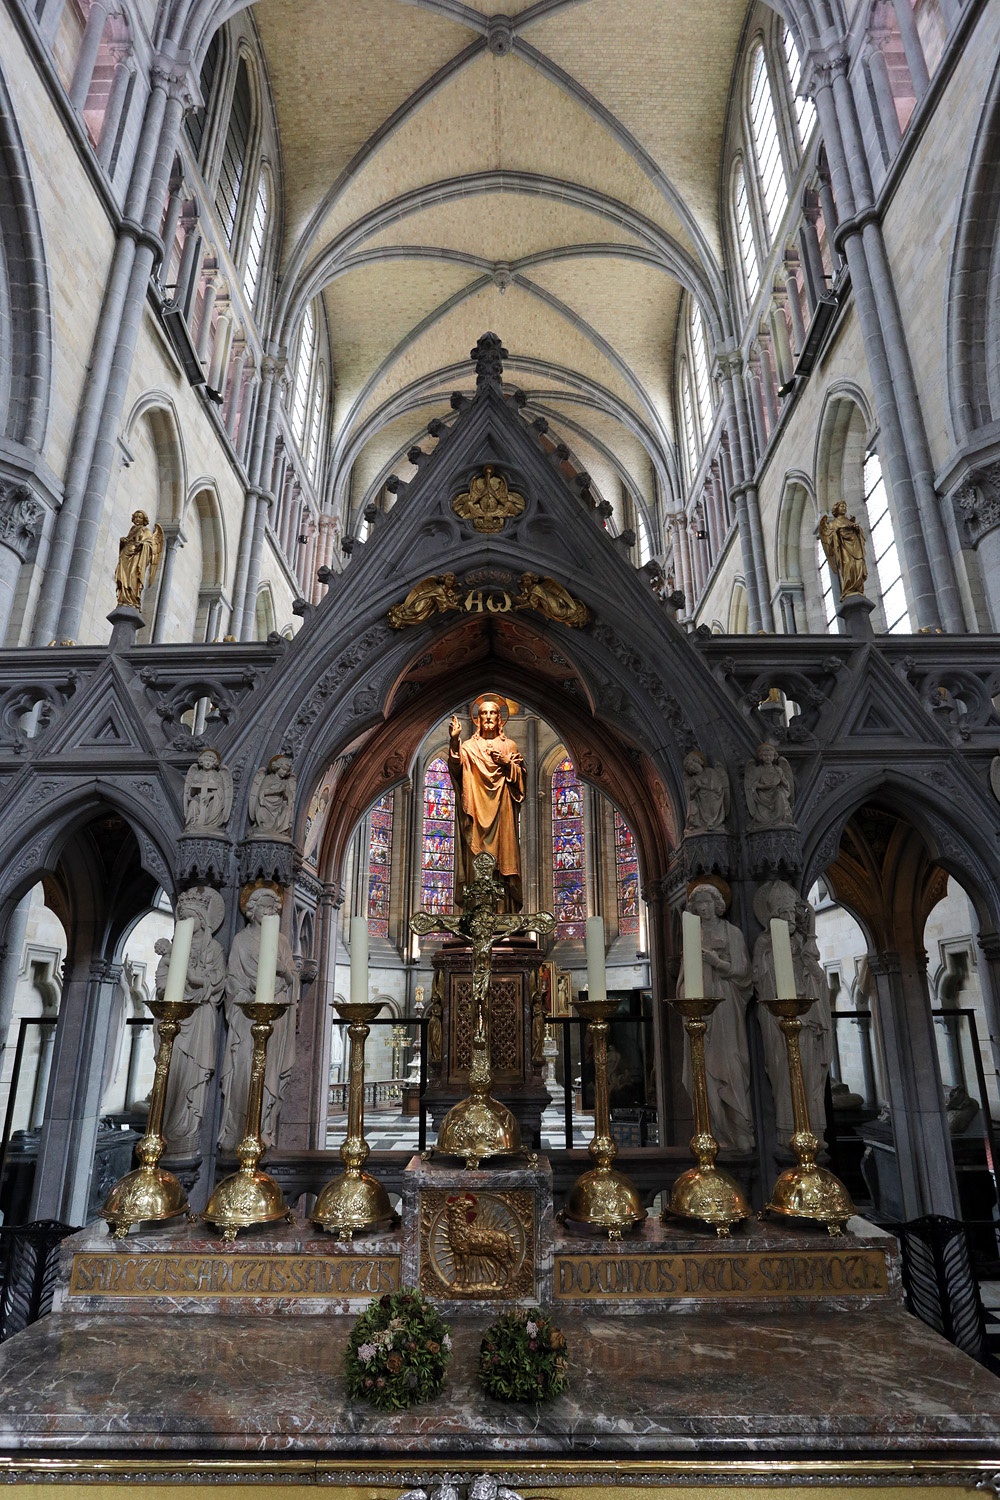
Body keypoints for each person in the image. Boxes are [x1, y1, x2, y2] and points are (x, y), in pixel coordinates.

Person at [218, 886, 297, 1151]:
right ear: (251, 910)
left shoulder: (281, 942)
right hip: (246, 1016)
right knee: (244, 1070)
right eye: (265, 907)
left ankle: (264, 1127)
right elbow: (231, 983)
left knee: (270, 1073)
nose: (270, 911)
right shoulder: (241, 940)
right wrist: (247, 993)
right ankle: (240, 1129)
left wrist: (282, 970)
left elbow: (292, 979)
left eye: (274, 909)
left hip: (276, 1014)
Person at [677, 882, 755, 1152]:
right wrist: (690, 998)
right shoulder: (691, 935)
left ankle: (739, 1127)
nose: (703, 908)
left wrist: (716, 962)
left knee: (732, 1061)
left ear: (718, 905)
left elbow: (744, 973)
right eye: (698, 904)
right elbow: (683, 978)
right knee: (702, 1068)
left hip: (726, 1006)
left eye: (708, 903)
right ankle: (713, 1130)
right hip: (700, 1010)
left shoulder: (731, 932)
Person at [156, 886, 227, 1156]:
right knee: (171, 1071)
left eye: (191, 916)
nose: (186, 921)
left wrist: (185, 969)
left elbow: (215, 982)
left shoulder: (213, 950)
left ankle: (187, 1131)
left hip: (200, 1017)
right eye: (181, 916)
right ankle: (167, 1132)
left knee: (193, 1074)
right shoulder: (174, 950)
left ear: (202, 918)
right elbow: (162, 983)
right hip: (175, 1016)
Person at [448, 696, 525, 912]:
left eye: (493, 713)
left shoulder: (509, 745)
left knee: (503, 856)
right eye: (484, 713)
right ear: (478, 719)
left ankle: (503, 911)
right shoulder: (469, 747)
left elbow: (521, 784)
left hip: (502, 811)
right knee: (476, 858)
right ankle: (477, 909)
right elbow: (455, 769)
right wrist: (455, 741)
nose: (488, 717)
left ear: (499, 718)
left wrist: (507, 763)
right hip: (475, 810)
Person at [114, 510, 163, 611]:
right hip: (125, 556)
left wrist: (141, 544)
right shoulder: (132, 529)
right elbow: (129, 540)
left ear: (144, 519)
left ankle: (132, 599)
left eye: (140, 517)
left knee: (133, 575)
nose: (137, 519)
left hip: (136, 558)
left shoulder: (146, 531)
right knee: (122, 578)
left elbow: (149, 544)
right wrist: (124, 541)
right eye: (135, 517)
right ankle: (123, 598)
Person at [819, 500, 868, 598]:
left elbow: (860, 535)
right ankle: (848, 588)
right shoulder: (833, 524)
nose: (844, 508)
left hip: (855, 546)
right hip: (844, 549)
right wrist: (839, 531)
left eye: (845, 506)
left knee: (858, 565)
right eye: (841, 506)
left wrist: (856, 528)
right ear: (836, 509)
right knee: (849, 565)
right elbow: (830, 539)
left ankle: (857, 587)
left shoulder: (849, 520)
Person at [744, 743, 796, 830]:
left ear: (774, 756)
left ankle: (779, 819)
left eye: (770, 755)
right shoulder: (758, 770)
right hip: (763, 796)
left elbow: (787, 785)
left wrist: (781, 781)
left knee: (780, 794)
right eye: (765, 755)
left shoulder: (778, 769)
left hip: (776, 792)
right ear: (761, 757)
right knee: (763, 819)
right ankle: (768, 820)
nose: (768, 758)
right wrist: (764, 787)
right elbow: (754, 785)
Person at [182, 749, 233, 834]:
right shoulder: (197, 775)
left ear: (214, 763)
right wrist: (194, 786)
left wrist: (211, 795)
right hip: (199, 800)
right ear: (201, 761)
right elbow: (191, 794)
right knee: (193, 804)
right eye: (206, 760)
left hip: (211, 803)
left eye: (211, 761)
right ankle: (192, 824)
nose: (208, 763)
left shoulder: (217, 775)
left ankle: (210, 824)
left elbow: (221, 792)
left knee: (214, 805)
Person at [682, 749, 730, 835]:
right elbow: (691, 796)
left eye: (692, 764)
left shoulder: (710, 772)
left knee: (712, 798)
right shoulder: (693, 779)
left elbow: (716, 788)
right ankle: (697, 825)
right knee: (691, 805)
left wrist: (702, 786)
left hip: (712, 797)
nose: (691, 768)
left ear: (699, 761)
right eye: (688, 768)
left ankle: (714, 822)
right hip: (700, 802)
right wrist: (696, 788)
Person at [248, 753, 296, 839]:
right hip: (267, 805)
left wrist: (286, 793)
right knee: (266, 825)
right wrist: (276, 790)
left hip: (278, 806)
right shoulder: (269, 778)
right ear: (277, 767)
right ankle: (264, 827)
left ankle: (280, 829)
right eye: (283, 769)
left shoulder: (285, 782)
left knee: (286, 807)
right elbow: (263, 792)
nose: (285, 773)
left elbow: (289, 796)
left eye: (286, 771)